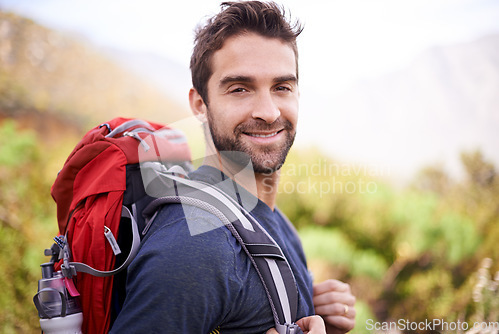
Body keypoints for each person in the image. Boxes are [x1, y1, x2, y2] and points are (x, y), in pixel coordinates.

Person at [110, 1, 355, 333]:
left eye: (282, 87)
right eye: (240, 89)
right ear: (200, 104)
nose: (268, 112)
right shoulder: (195, 249)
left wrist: (319, 314)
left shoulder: (271, 220)